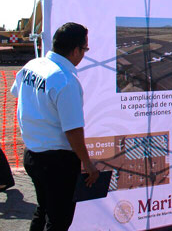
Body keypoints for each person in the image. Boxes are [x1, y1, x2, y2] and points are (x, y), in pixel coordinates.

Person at [10, 22, 99, 231]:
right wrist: (88, 163)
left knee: (43, 210)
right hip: (57, 162)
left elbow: (18, 93)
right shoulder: (65, 80)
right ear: (75, 50)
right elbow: (73, 130)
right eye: (85, 49)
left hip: (32, 154)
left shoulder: (33, 65)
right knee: (59, 220)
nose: (84, 54)